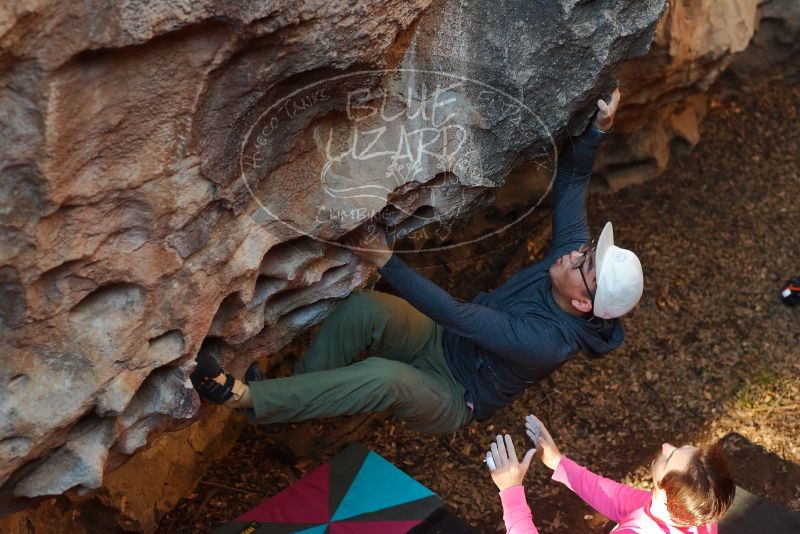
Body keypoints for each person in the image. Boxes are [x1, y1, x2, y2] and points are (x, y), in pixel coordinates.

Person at [189, 88, 644, 434]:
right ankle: (288, 399)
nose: (576, 252)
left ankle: (249, 399)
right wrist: (599, 129)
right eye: (587, 249)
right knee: (362, 309)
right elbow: (571, 183)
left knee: (384, 377)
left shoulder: (548, 342)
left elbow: (459, 314)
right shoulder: (575, 271)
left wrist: (387, 261)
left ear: (584, 303)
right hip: (440, 341)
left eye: (586, 261)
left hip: (453, 395)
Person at [485, 415, 735, 533]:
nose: (666, 446)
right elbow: (620, 500)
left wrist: (511, 493)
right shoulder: (698, 514)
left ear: (666, 491)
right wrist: (559, 463)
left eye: (670, 457)